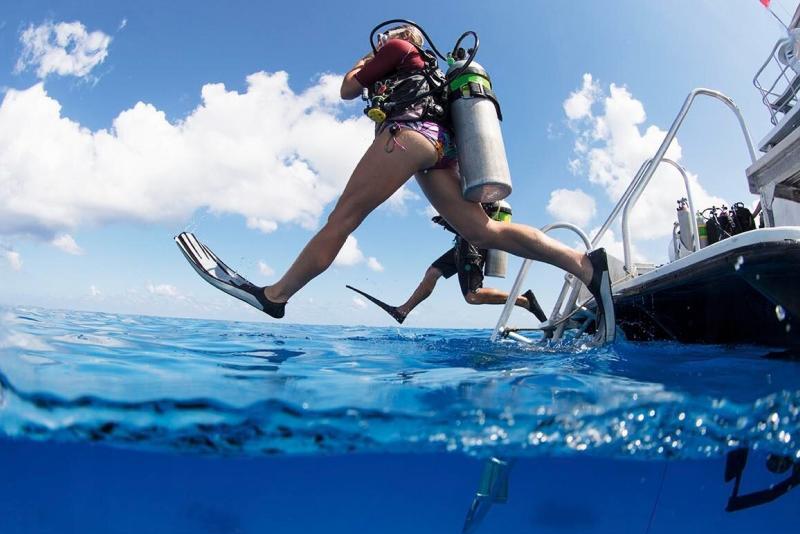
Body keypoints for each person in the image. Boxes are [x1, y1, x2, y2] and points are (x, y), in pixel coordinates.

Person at [176, 24, 615, 341]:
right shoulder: (433, 75)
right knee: (483, 231)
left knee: (343, 218)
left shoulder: (399, 48)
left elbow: (348, 89)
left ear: (407, 38)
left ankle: (274, 296)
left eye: (392, 35)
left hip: (408, 136)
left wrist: (363, 62)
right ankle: (584, 265)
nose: (384, 39)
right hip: (439, 150)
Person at [346, 208, 548, 324]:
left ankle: (524, 301)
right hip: (462, 242)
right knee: (433, 272)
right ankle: (403, 311)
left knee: (473, 295)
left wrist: (448, 221)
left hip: (473, 243)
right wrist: (448, 221)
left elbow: (476, 220)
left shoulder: (478, 189)